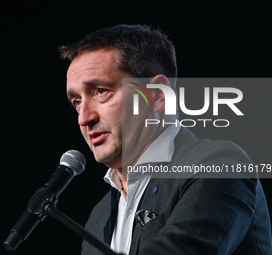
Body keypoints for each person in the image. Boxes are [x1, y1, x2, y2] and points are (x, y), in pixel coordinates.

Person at [59, 24, 272, 254]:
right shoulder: (98, 218)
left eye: (101, 91)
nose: (84, 118)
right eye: (77, 102)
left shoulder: (218, 165)